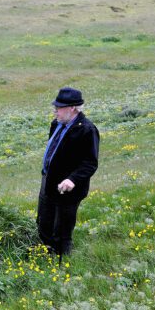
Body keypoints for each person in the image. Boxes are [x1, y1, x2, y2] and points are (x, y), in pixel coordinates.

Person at [37, 87, 99, 259]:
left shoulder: (87, 129)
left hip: (68, 189)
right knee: (43, 222)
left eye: (59, 107)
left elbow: (90, 163)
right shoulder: (56, 124)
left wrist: (72, 180)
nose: (55, 110)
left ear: (72, 108)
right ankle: (45, 258)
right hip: (48, 182)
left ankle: (63, 264)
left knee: (62, 228)